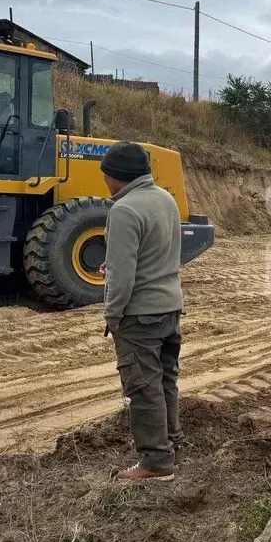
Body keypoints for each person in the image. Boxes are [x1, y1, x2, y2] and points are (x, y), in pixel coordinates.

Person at [100, 141, 185, 482]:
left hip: (140, 315)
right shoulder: (166, 199)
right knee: (165, 380)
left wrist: (113, 314)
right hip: (170, 307)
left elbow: (122, 276)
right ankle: (172, 443)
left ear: (115, 176)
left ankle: (155, 463)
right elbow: (159, 252)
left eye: (105, 174)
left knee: (142, 387)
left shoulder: (123, 210)